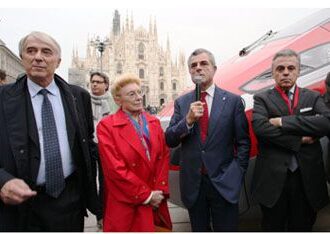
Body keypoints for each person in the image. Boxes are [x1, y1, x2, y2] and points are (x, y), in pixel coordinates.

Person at [0, 31, 101, 231]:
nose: (38, 57)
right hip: (18, 204)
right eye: (31, 51)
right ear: (23, 58)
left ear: (58, 61)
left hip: (69, 200)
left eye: (46, 52)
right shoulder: (3, 98)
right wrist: (2, 181)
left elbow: (87, 144)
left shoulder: (78, 96)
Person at [165, 48, 250, 231]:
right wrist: (187, 121)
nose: (198, 68)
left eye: (204, 64)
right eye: (193, 66)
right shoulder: (182, 102)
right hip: (194, 185)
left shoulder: (233, 101)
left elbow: (243, 142)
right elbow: (170, 139)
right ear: (189, 72)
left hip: (224, 182)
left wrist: (237, 172)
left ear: (214, 68)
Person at [251, 49, 330, 231]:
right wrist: (300, 139)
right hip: (273, 181)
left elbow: (326, 123)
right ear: (273, 73)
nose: (285, 72)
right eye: (280, 68)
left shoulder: (313, 97)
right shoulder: (262, 98)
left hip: (307, 180)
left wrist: (282, 122)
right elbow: (261, 128)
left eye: (290, 68)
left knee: (303, 227)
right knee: (272, 226)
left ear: (298, 71)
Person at [97, 73, 172, 232]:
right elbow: (115, 169)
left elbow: (163, 157)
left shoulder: (153, 122)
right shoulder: (107, 126)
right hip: (128, 201)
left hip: (156, 199)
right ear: (118, 100)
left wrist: (159, 191)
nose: (139, 97)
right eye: (132, 94)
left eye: (140, 92)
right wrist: (147, 196)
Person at [89, 71, 117, 230]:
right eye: (93, 81)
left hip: (106, 147)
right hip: (89, 145)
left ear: (106, 85)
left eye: (99, 82)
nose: (94, 84)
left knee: (105, 182)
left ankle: (103, 214)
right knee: (89, 181)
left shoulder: (114, 102)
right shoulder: (84, 100)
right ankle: (97, 212)